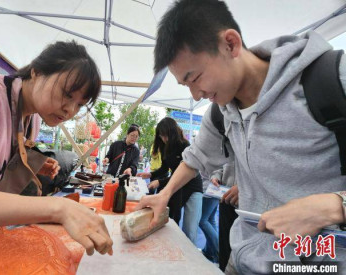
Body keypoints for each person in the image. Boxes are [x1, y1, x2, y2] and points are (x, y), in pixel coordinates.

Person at [136, 0, 346, 273]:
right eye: (185, 85)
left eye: (195, 77)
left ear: (231, 44)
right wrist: (164, 194)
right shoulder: (220, 113)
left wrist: (332, 207)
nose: (195, 94)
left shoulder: (331, 80)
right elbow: (195, 158)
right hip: (243, 261)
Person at [0, 40, 113, 256]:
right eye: (67, 94)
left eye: (80, 104)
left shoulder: (32, 119)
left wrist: (30, 165)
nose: (70, 109)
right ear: (36, 72)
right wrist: (59, 209)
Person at [137, 117, 203, 244]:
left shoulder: (184, 145)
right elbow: (164, 169)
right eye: (161, 136)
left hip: (193, 186)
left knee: (190, 229)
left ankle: (189, 255)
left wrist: (160, 182)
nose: (164, 139)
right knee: (172, 219)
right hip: (176, 186)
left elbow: (181, 173)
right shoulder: (164, 146)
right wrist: (150, 174)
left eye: (166, 136)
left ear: (172, 133)